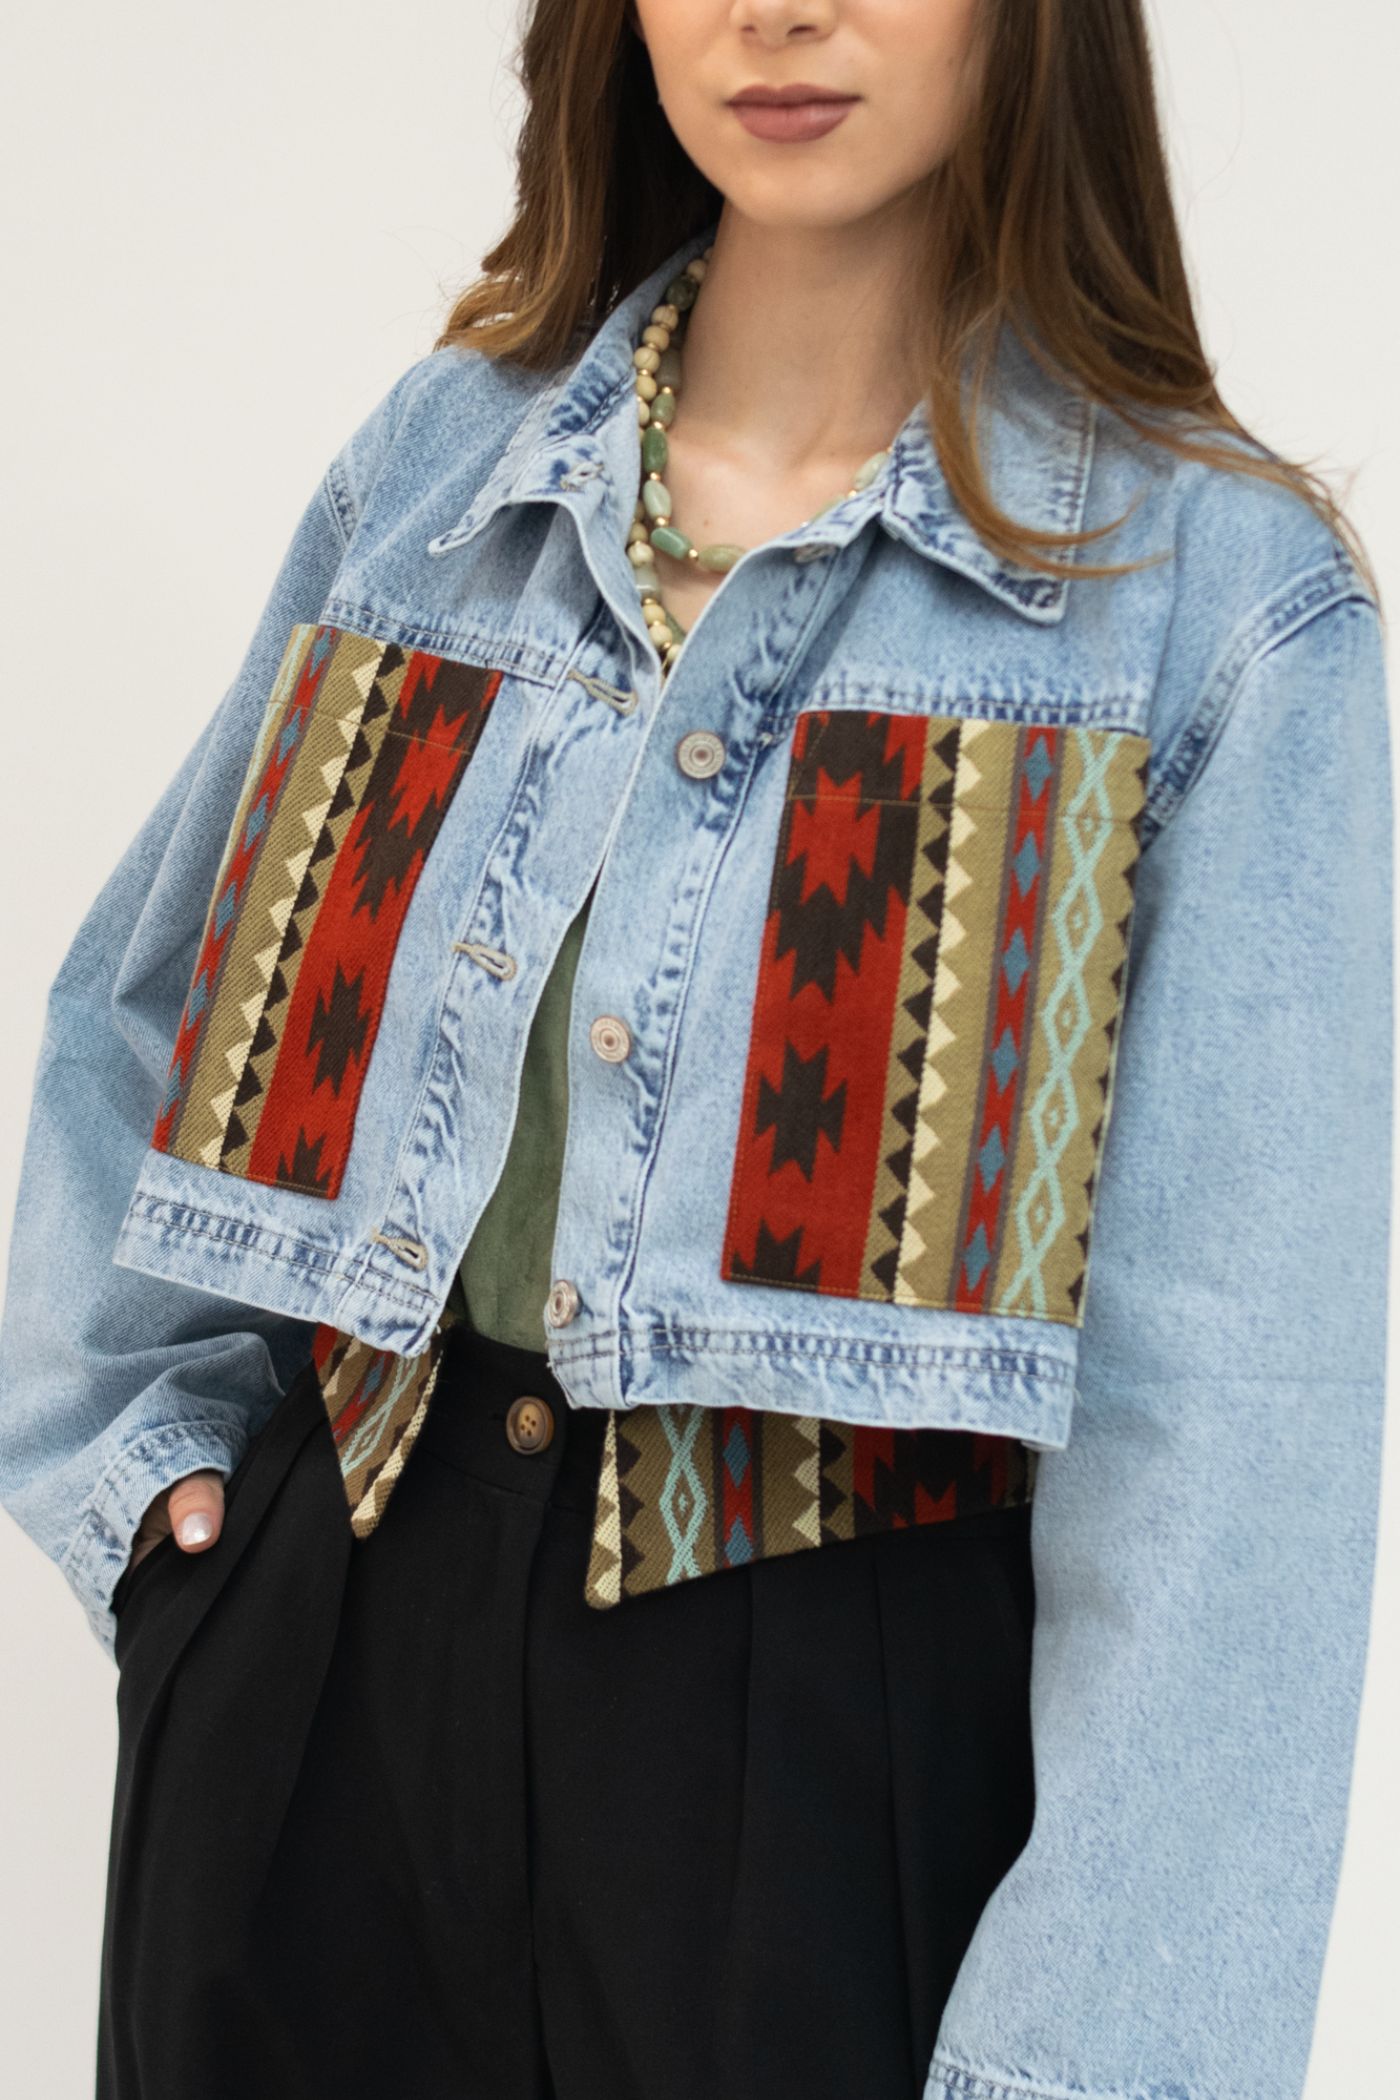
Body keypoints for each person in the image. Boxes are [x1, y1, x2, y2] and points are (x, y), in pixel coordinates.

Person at [0, 2, 1390, 2097]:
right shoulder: (440, 469)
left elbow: (1229, 1445)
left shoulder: (1208, 607)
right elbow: (145, 1003)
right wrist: (151, 1499)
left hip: (825, 1768)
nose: (778, 10)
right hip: (317, 1713)